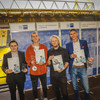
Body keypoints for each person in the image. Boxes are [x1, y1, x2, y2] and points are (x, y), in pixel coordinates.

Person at [66, 29, 94, 100]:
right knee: (75, 87)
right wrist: (70, 56)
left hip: (82, 67)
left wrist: (88, 58)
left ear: (77, 34)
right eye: (71, 34)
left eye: (74, 33)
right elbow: (67, 56)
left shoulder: (83, 42)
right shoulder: (68, 45)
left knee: (87, 88)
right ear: (70, 35)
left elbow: (86, 52)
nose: (73, 35)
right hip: (73, 68)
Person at [26, 32, 48, 100]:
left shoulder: (44, 47)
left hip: (43, 69)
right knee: (34, 86)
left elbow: (46, 58)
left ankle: (46, 97)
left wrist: (44, 62)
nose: (35, 37)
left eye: (36, 36)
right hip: (34, 71)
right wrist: (30, 62)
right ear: (31, 38)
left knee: (44, 85)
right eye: (33, 36)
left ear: (39, 37)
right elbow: (27, 59)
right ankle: (35, 98)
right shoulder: (28, 48)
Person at [47, 35, 69, 100]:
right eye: (52, 41)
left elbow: (67, 61)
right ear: (51, 42)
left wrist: (63, 68)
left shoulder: (64, 50)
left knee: (64, 92)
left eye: (55, 40)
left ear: (58, 41)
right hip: (53, 75)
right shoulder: (49, 51)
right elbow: (48, 64)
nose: (54, 42)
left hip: (62, 75)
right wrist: (48, 59)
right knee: (57, 93)